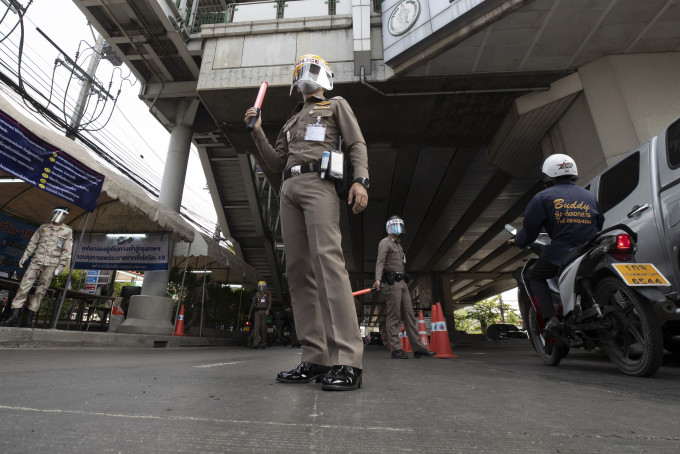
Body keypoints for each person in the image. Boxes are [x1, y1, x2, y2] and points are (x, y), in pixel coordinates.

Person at [244, 54, 369, 391]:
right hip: (289, 188)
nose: (305, 74)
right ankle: (315, 356)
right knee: (298, 270)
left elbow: (355, 142)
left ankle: (347, 359)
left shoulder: (335, 105)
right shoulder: (290, 121)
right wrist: (257, 132)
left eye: (312, 69)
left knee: (328, 263)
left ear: (325, 76)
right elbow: (275, 161)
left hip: (320, 184)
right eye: (299, 70)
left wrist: (360, 180)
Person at [509, 154, 604, 338]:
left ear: (548, 175)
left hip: (564, 250)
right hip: (591, 248)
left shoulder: (542, 197)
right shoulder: (589, 195)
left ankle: (551, 320)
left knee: (534, 275)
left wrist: (518, 241)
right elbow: (599, 222)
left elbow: (530, 230)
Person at [373, 216, 436, 359]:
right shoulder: (385, 242)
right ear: (390, 227)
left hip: (402, 283)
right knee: (394, 316)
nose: (398, 228)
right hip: (391, 283)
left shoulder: (399, 245)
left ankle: (418, 348)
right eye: (396, 225)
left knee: (409, 315)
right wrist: (377, 279)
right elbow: (380, 261)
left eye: (400, 225)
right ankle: (396, 350)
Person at [1, 207, 73, 327]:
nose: (58, 215)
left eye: (61, 214)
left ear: (65, 216)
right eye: (56, 213)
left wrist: (61, 265)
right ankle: (13, 316)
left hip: (51, 264)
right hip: (36, 261)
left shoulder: (67, 231)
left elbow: (66, 249)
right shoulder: (43, 227)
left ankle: (28, 318)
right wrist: (25, 255)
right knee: (23, 287)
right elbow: (33, 242)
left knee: (41, 291)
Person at [248, 281, 272, 349]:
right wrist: (250, 313)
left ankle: (263, 343)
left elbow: (270, 302)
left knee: (263, 328)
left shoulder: (268, 293)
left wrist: (268, 310)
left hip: (264, 312)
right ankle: (255, 343)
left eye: (262, 286)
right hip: (257, 312)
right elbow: (253, 304)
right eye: (259, 286)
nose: (261, 287)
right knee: (256, 328)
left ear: (265, 287)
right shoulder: (257, 294)